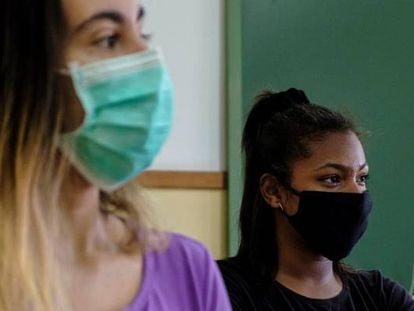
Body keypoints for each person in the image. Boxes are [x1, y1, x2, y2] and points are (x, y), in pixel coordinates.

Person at [0, 0, 231, 310]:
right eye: (108, 39)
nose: (148, 58)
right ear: (25, 76)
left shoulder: (190, 271)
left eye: (143, 33)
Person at [218, 88, 414, 310]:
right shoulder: (221, 290)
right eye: (332, 179)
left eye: (361, 178)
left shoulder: (382, 297)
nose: (356, 193)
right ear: (274, 191)